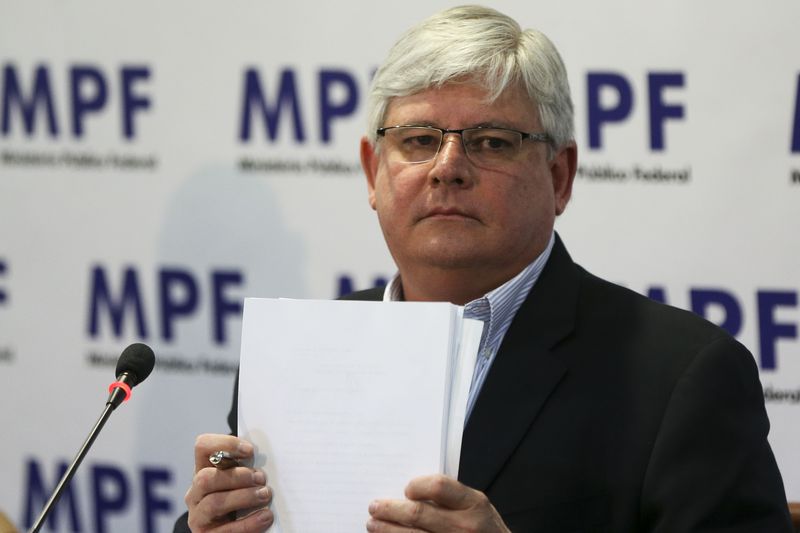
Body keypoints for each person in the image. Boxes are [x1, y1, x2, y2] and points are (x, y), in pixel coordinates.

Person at [176, 5, 793, 532]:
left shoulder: (683, 378)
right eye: (419, 140)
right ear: (372, 172)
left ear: (559, 176)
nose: (448, 167)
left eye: (492, 142)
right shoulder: (298, 355)